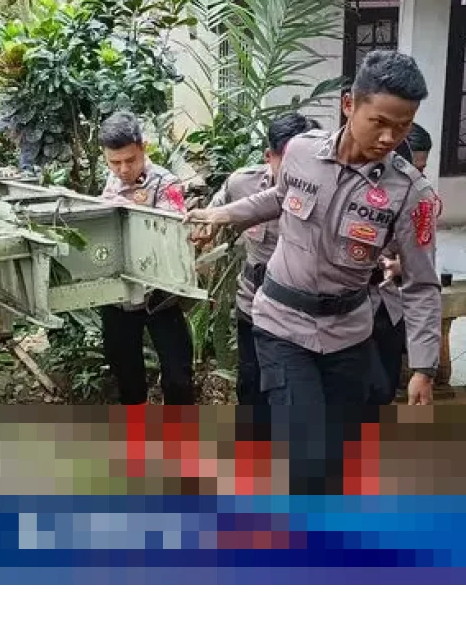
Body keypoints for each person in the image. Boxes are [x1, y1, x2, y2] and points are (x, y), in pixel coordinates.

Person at [187, 50, 441, 494]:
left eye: (401, 126)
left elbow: (420, 284)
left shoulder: (410, 193)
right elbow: (276, 198)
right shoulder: (301, 152)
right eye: (379, 121)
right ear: (349, 104)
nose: (389, 137)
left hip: (348, 335)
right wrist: (222, 215)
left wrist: (423, 366)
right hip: (281, 325)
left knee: (338, 459)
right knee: (305, 457)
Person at [195, 112, 320, 405]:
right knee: (252, 387)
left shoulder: (331, 193)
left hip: (304, 314)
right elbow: (212, 217)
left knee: (296, 395)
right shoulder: (242, 184)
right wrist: (204, 232)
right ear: (269, 156)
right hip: (254, 304)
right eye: (290, 160)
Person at [97, 111, 194, 405]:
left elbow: (173, 234)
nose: (123, 169)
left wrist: (124, 208)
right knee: (126, 374)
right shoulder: (110, 181)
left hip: (159, 295)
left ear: (143, 148)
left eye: (130, 160)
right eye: (114, 162)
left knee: (178, 376)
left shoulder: (166, 183)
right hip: (120, 296)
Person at [370, 122, 434, 399]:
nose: (417, 177)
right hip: (344, 315)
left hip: (387, 308)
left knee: (381, 390)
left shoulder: (419, 198)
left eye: (420, 170)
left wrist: (424, 367)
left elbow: (423, 276)